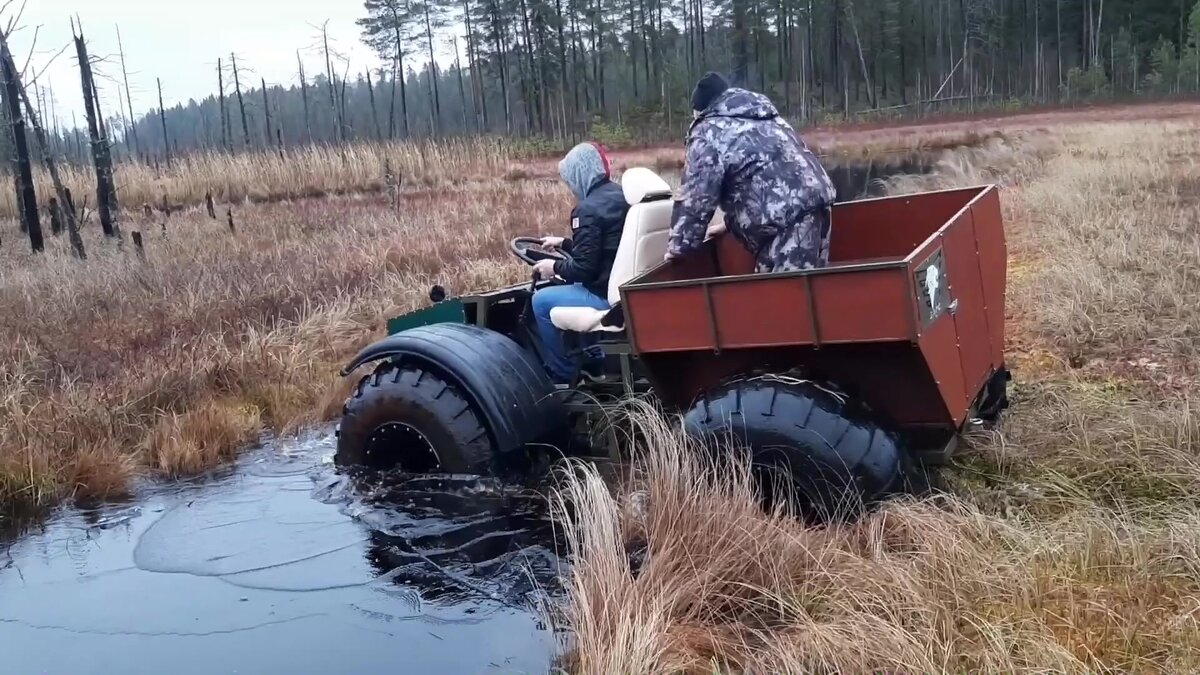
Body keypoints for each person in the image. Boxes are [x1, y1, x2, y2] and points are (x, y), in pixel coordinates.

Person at [664, 72, 838, 273]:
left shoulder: (708, 130)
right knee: (804, 290)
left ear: (701, 110)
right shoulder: (764, 115)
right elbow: (760, 173)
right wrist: (730, 224)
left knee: (787, 297)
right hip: (815, 206)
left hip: (786, 219)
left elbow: (697, 194)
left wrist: (679, 244)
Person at [530, 141, 629, 384]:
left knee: (540, 301)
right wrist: (563, 243)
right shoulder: (620, 196)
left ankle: (562, 372)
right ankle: (594, 359)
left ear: (578, 175)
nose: (571, 189)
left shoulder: (587, 209)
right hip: (623, 285)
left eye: (570, 182)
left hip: (605, 294)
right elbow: (606, 248)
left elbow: (584, 270)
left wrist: (551, 267)